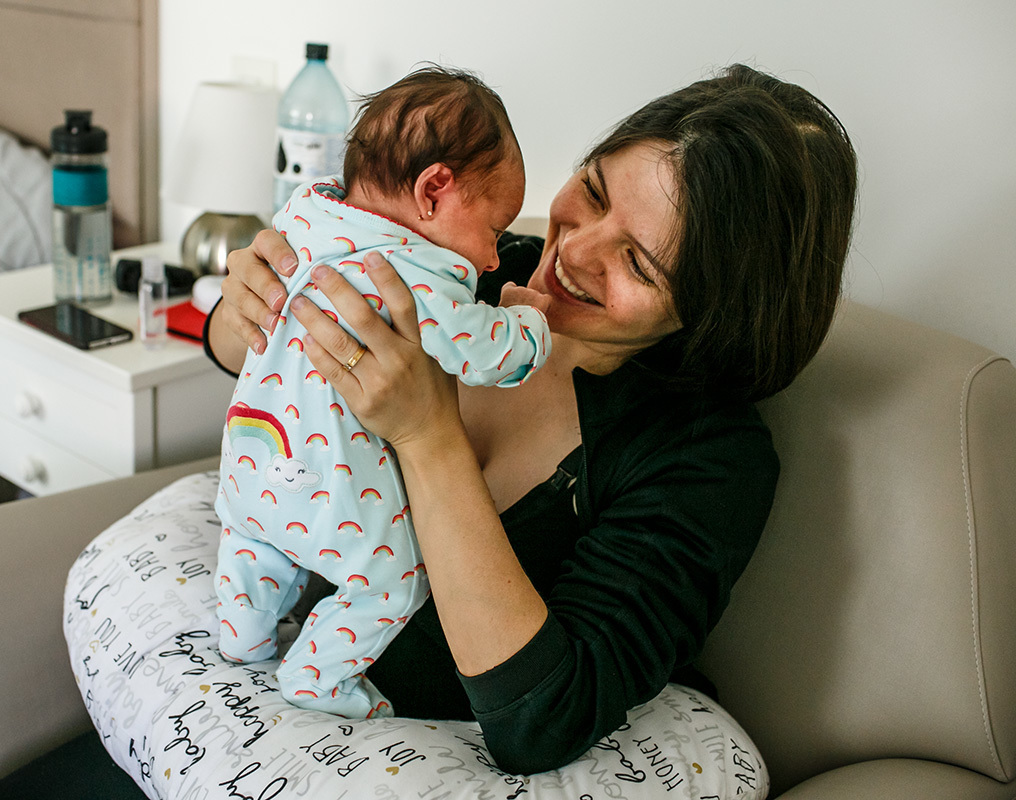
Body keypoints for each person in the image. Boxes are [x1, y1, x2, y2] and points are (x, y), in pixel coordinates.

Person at [206, 63, 858, 776]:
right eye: (595, 190)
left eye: (638, 265)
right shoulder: (467, 265)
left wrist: (427, 436)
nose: (572, 254)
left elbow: (541, 720)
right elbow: (236, 351)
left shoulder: (705, 456)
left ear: (714, 311)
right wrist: (249, 305)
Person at [211, 66, 551, 719]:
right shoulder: (417, 276)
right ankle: (316, 677)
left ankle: (241, 634)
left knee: (254, 543)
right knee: (393, 581)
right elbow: (485, 352)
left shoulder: (302, 218)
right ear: (434, 190)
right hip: (325, 486)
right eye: (493, 231)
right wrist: (533, 329)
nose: (490, 261)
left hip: (251, 454)